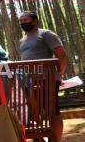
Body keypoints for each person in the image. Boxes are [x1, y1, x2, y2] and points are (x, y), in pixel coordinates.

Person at [19, 11, 68, 141]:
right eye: (21, 20)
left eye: (26, 19)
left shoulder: (46, 34)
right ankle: (39, 139)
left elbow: (61, 55)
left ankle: (56, 140)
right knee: (33, 111)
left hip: (47, 78)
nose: (23, 22)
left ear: (35, 21)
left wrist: (60, 74)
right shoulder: (22, 40)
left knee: (52, 110)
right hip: (29, 81)